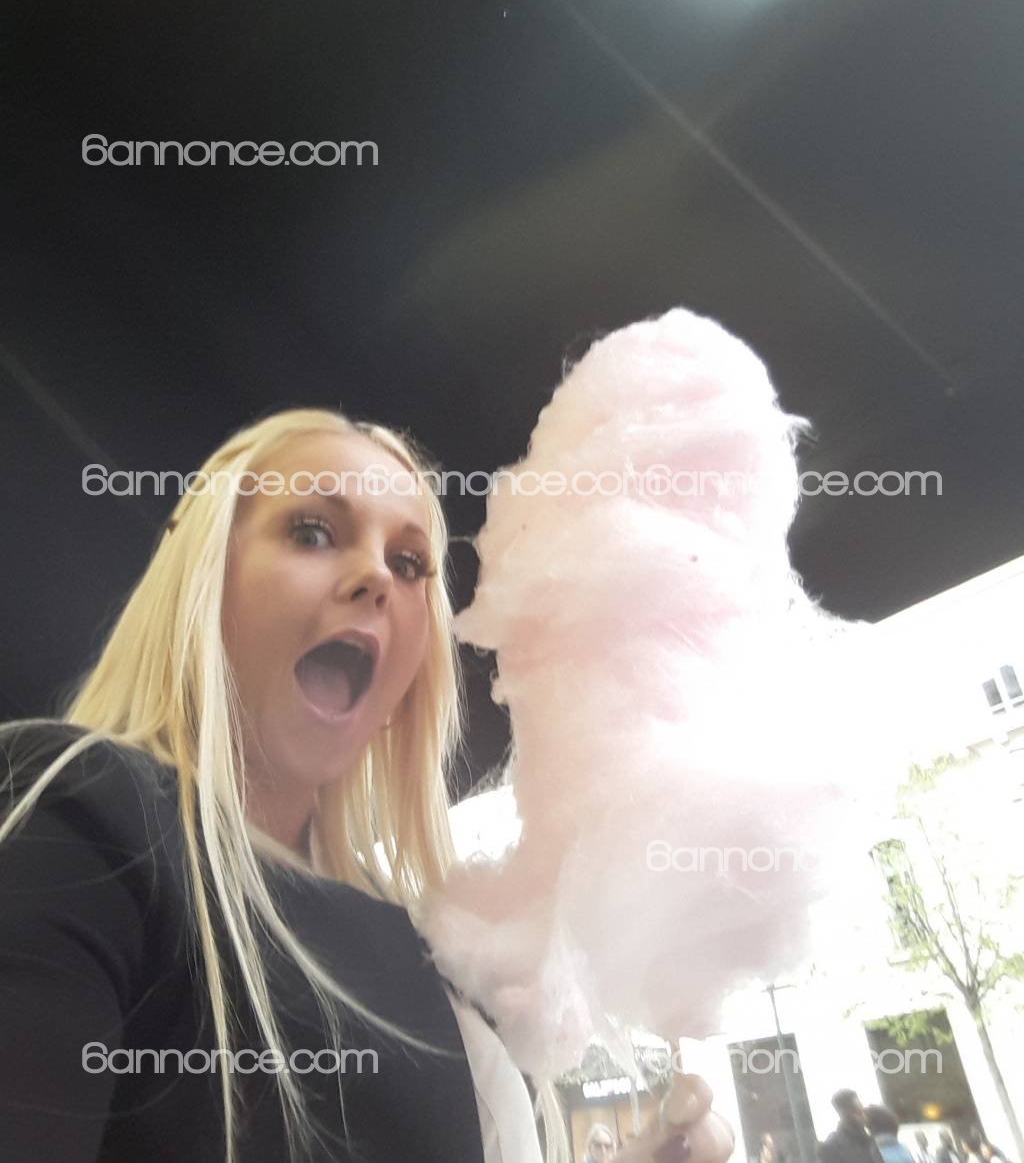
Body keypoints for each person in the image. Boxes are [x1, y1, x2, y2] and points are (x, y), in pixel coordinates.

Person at [0, 408, 737, 1163]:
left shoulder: (433, 955)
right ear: (202, 580)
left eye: (410, 563)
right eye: (312, 531)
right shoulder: (77, 815)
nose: (378, 577)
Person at [819, 1090, 886, 1163]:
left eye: (862, 1109)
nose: (863, 1115)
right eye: (857, 1111)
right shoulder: (831, 1146)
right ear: (843, 1113)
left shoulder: (869, 1139)